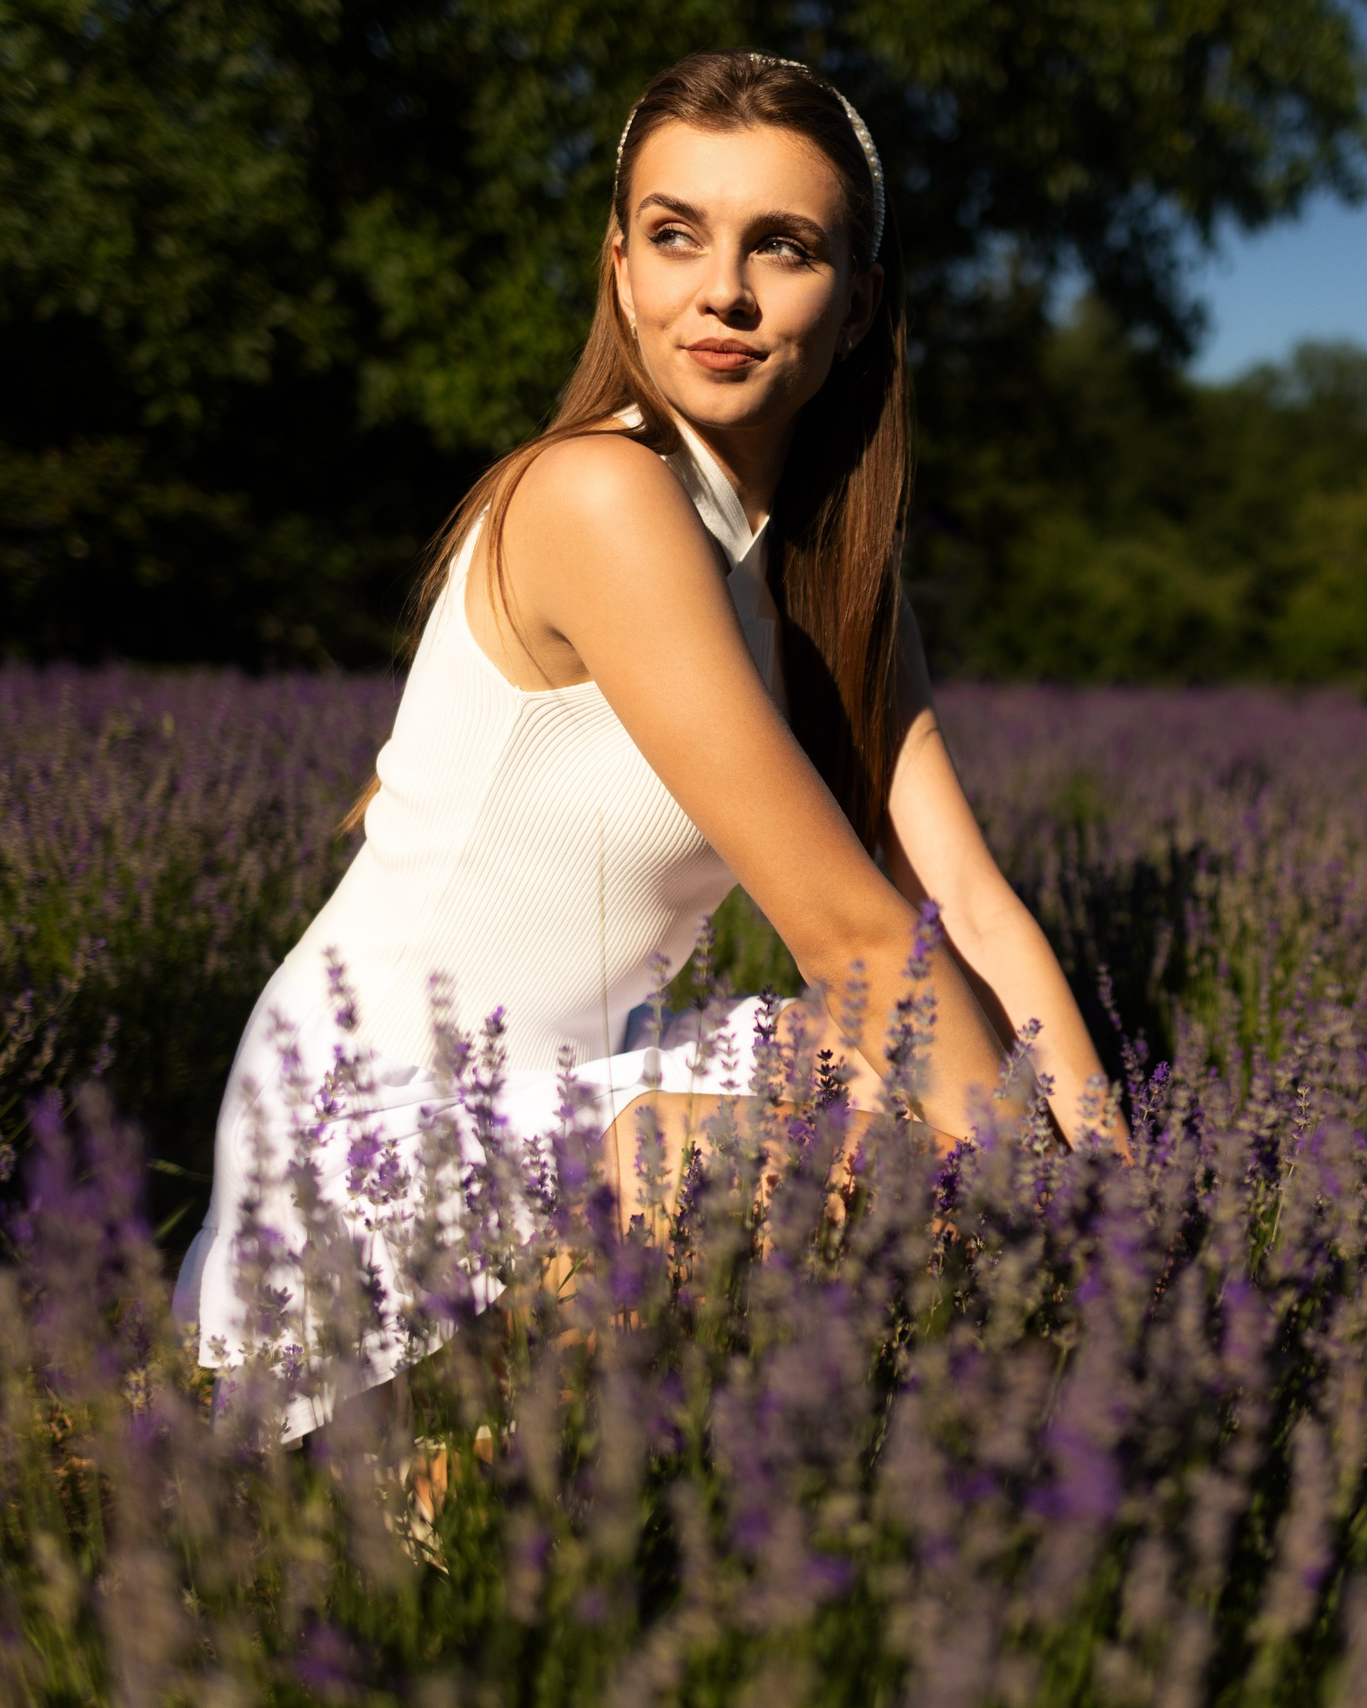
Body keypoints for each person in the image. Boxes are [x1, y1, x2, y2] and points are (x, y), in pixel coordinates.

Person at [172, 50, 1123, 1439]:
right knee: (871, 1130)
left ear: (858, 306)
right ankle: (457, 1465)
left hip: (563, 1095)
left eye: (782, 247)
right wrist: (1070, 1260)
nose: (721, 291)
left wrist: (1121, 1190)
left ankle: (553, 1440)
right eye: (676, 236)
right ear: (621, 270)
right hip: (373, 1137)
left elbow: (967, 907)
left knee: (884, 1085)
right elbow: (856, 940)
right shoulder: (599, 497)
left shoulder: (833, 583)